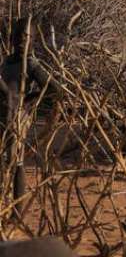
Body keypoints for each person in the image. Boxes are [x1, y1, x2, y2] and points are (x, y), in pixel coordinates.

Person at [0, 18, 57, 219]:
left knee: (16, 162)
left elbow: (53, 90)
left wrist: (26, 102)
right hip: (2, 117)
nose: (22, 40)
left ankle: (17, 212)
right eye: (18, 36)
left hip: (17, 119)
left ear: (33, 40)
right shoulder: (7, 62)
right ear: (12, 38)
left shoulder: (31, 65)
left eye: (27, 36)